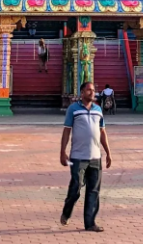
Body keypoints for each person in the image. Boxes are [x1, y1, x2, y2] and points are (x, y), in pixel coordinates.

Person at [60, 81, 112, 233]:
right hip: (78, 157)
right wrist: (62, 151)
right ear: (82, 93)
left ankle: (90, 223)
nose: (92, 92)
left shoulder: (98, 110)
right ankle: (67, 210)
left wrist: (108, 152)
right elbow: (66, 130)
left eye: (93, 90)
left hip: (96, 157)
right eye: (89, 90)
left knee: (93, 191)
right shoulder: (73, 109)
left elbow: (102, 132)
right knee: (76, 187)